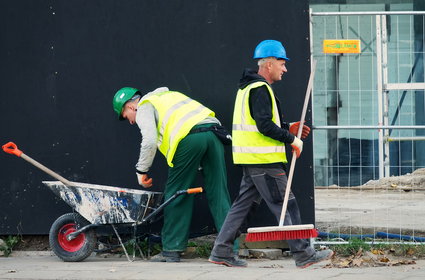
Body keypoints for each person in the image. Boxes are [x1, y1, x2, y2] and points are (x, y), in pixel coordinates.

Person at [208, 40, 334, 268]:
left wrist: (287, 128)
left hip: (252, 160)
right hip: (264, 161)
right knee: (287, 204)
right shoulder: (260, 89)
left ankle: (221, 250)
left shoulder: (247, 88)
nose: (285, 69)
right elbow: (264, 126)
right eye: (282, 63)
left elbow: (263, 122)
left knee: (242, 207)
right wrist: (292, 139)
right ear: (269, 64)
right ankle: (304, 254)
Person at [112, 86, 232, 262]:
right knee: (219, 192)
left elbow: (150, 141)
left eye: (126, 116)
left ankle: (172, 249)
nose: (130, 122)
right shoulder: (169, 95)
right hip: (214, 134)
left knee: (177, 192)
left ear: (130, 107)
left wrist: (141, 170)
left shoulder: (145, 104)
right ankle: (229, 248)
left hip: (190, 139)